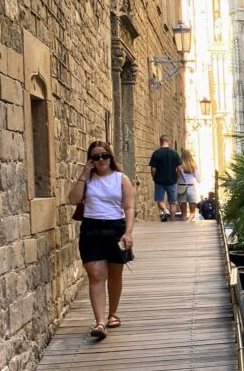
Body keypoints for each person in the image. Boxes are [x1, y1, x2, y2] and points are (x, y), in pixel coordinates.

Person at [68, 140, 135, 339]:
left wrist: (128, 232)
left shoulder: (121, 179)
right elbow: (73, 199)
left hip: (115, 227)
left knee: (115, 273)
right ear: (91, 160)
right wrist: (83, 174)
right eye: (96, 157)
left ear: (110, 157)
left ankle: (112, 313)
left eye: (104, 156)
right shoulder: (87, 180)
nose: (100, 160)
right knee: (96, 274)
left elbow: (129, 207)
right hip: (92, 228)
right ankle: (99, 323)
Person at [148, 134, 180, 221]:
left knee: (160, 200)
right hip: (172, 181)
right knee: (173, 203)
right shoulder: (175, 154)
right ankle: (172, 221)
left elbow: (153, 169)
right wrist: (177, 177)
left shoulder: (156, 153)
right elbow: (179, 169)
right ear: (168, 142)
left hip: (159, 181)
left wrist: (154, 178)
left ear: (160, 142)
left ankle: (165, 210)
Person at [177, 149, 201, 221]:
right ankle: (188, 222)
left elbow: (176, 177)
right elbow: (198, 180)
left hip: (181, 188)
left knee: (183, 214)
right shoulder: (193, 165)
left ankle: (185, 224)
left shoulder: (179, 166)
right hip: (191, 187)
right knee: (192, 213)